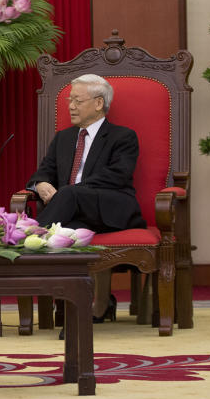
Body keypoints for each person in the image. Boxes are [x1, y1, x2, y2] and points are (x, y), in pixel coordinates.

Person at [25, 73, 145, 323]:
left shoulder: (123, 137)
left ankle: (25, 242)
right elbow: (45, 169)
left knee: (69, 194)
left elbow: (117, 175)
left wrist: (73, 191)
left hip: (111, 208)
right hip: (74, 212)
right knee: (70, 230)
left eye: (77, 101)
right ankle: (78, 311)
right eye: (70, 100)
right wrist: (42, 183)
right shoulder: (64, 138)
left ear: (99, 103)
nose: (70, 106)